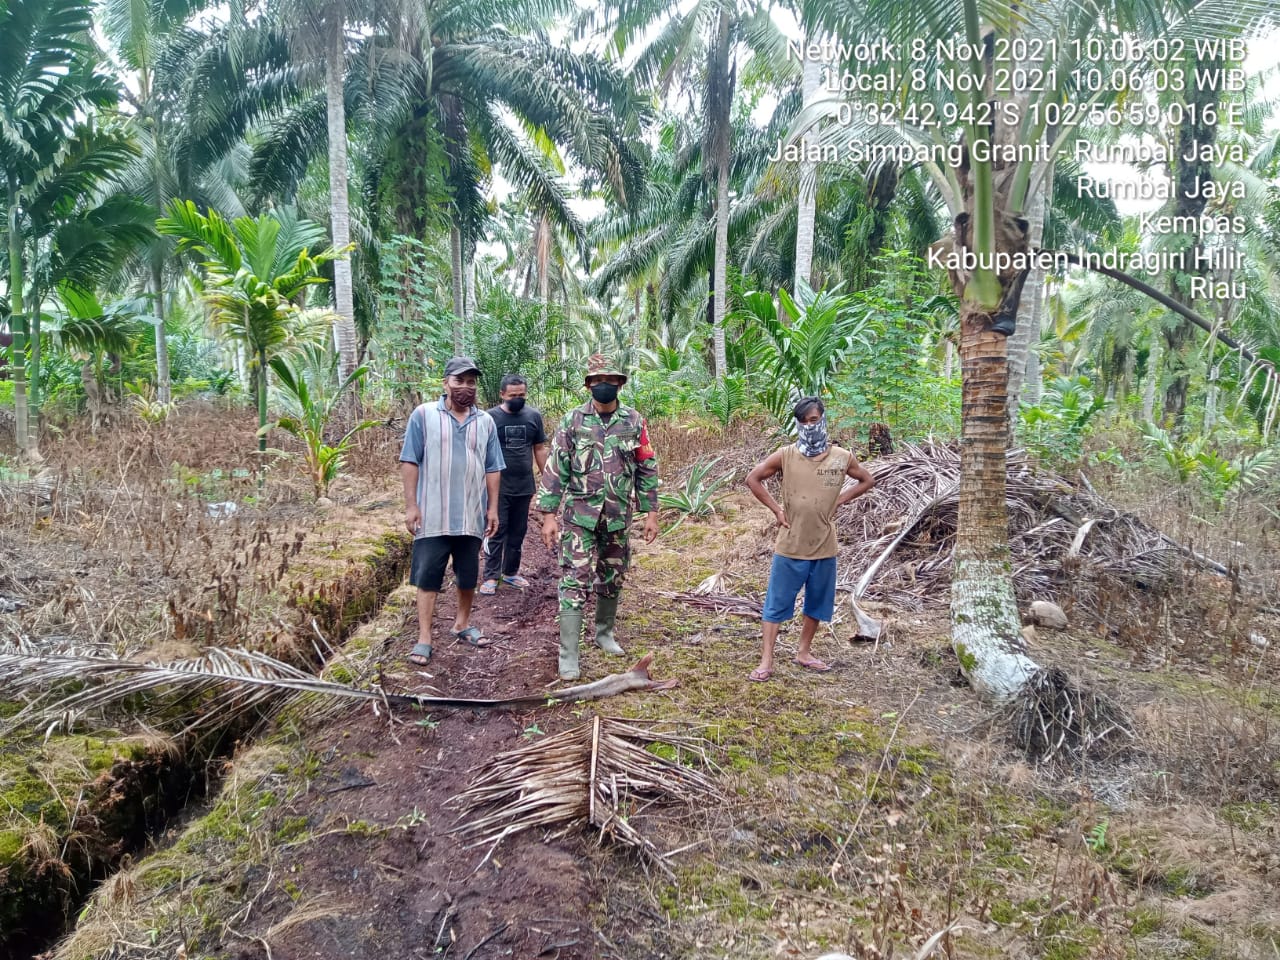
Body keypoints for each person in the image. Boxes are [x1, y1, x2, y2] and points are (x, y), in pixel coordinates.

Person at [538, 354, 660, 681]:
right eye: (597, 380)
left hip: (618, 516)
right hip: (580, 516)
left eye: (610, 380)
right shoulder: (573, 421)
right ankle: (569, 654)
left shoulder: (634, 421)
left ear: (620, 384)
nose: (604, 385)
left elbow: (646, 466)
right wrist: (548, 515)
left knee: (613, 574)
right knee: (574, 579)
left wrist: (651, 512)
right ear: (589, 384)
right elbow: (556, 468)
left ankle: (604, 633)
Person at [744, 397, 874, 682]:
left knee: (816, 603)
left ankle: (803, 652)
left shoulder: (842, 457)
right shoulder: (786, 455)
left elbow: (867, 480)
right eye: (803, 422)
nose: (809, 426)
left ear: (823, 419)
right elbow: (753, 479)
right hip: (790, 544)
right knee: (776, 604)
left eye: (814, 420)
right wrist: (776, 510)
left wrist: (840, 499)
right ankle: (766, 661)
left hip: (824, 545)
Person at [399, 356, 504, 666]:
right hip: (432, 514)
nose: (465, 387)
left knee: (468, 575)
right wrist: (411, 506)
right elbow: (410, 460)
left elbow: (493, 468)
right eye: (459, 381)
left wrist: (492, 508)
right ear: (445, 383)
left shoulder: (485, 422)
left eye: (471, 382)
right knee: (428, 577)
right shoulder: (423, 415)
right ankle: (424, 638)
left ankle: (462, 624)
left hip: (471, 514)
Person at [479, 374, 549, 595]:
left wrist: (548, 479)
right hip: (497, 487)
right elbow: (480, 451)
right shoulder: (489, 418)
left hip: (524, 485)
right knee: (496, 530)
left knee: (518, 531)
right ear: (502, 394)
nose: (517, 398)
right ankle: (491, 576)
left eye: (521, 395)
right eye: (512, 395)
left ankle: (510, 572)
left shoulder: (533, 416)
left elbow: (539, 448)